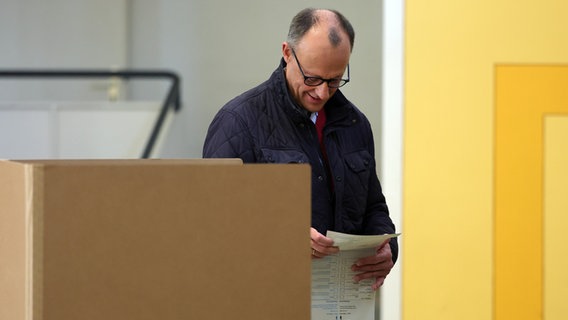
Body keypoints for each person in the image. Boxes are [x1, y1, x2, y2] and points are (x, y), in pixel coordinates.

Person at [203, 7, 397, 290]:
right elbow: (211, 221)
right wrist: (283, 236)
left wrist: (387, 246)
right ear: (286, 53)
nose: (321, 93)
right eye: (312, 78)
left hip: (342, 302)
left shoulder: (356, 124)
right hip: (267, 299)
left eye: (334, 81)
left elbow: (372, 206)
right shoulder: (238, 122)